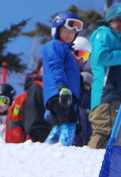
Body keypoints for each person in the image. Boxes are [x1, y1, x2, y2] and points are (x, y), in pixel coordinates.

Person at [87, 5, 121, 149]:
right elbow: (101, 57)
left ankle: (103, 165)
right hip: (106, 94)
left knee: (113, 135)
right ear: (109, 21)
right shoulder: (104, 33)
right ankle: (92, 162)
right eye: (118, 20)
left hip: (118, 96)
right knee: (104, 131)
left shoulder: (118, 44)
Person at [42, 11, 84, 146]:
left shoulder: (67, 51)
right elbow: (55, 66)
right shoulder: (55, 45)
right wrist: (63, 88)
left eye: (72, 33)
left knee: (58, 126)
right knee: (69, 123)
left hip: (60, 93)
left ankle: (48, 148)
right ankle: (64, 149)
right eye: (66, 31)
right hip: (60, 92)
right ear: (57, 30)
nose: (69, 35)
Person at [21, 61, 51, 142]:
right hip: (38, 139)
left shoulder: (50, 89)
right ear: (39, 70)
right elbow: (34, 120)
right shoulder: (36, 88)